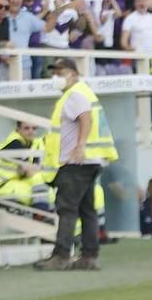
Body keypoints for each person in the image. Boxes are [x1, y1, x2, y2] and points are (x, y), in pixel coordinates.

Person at [34, 58, 118, 271]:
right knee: (86, 209)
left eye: (60, 71)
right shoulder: (82, 92)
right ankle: (89, 256)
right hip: (88, 161)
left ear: (72, 73)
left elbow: (85, 118)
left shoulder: (75, 94)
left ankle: (62, 255)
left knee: (67, 208)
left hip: (76, 162)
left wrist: (79, 145)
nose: (56, 76)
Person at [0, 120, 45, 207]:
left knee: (45, 187)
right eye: (26, 128)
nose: (31, 131)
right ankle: (41, 212)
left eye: (34, 128)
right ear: (18, 129)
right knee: (38, 180)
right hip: (1, 186)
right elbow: (29, 171)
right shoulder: (15, 143)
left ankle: (42, 212)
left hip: (12, 182)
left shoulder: (28, 143)